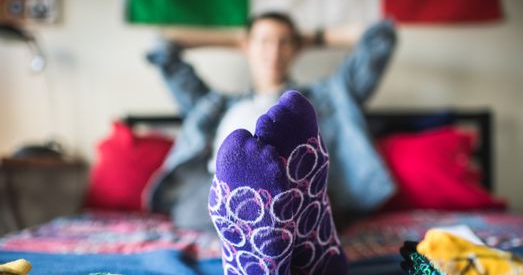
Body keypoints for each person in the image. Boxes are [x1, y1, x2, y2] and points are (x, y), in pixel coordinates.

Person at [145, 12, 397, 231]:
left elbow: (380, 36)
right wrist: (237, 41)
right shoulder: (213, 105)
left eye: (284, 42)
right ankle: (270, 237)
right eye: (264, 41)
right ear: (246, 46)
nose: (274, 51)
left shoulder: (326, 99)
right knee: (204, 201)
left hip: (296, 197)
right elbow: (162, 48)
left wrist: (311, 39)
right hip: (221, 199)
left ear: (296, 48)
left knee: (295, 196)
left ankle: (270, 236)